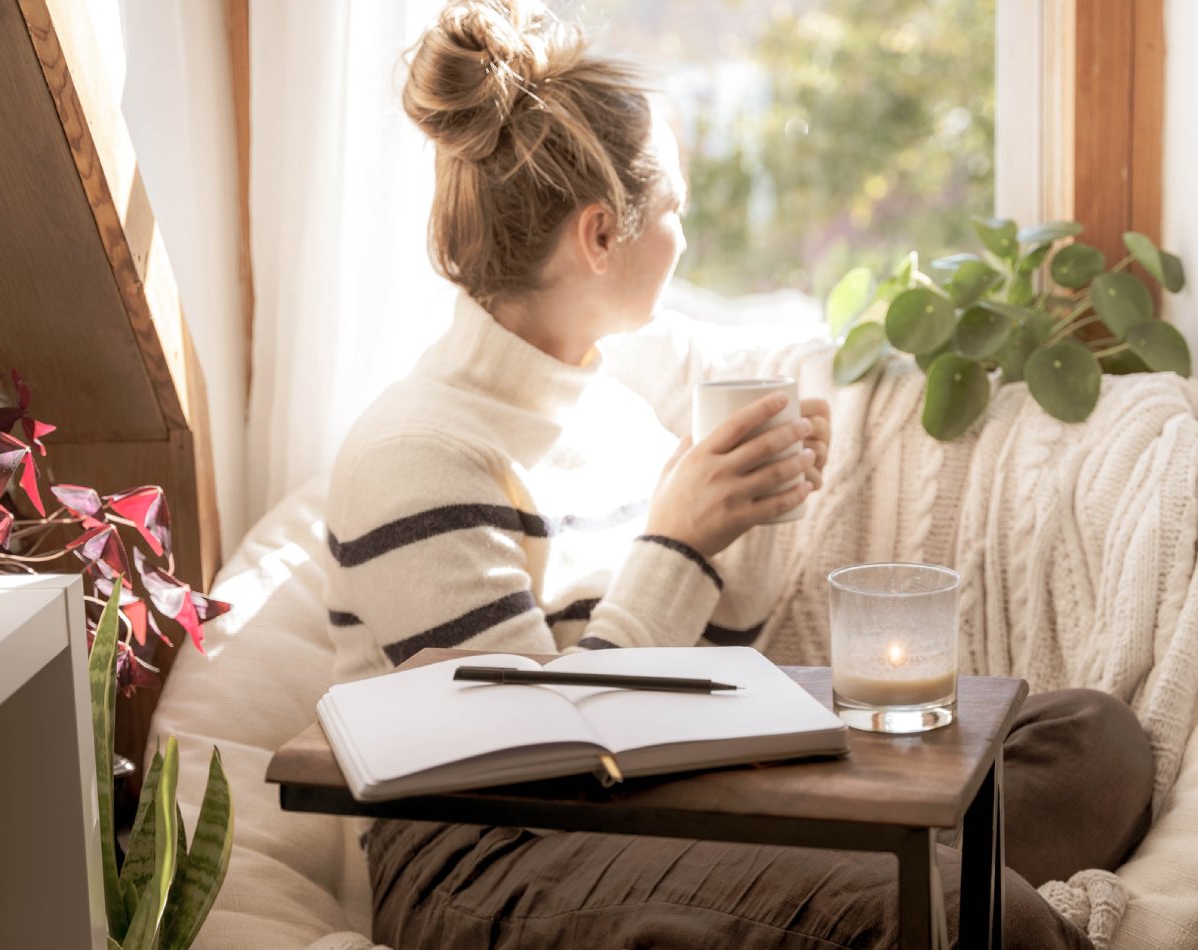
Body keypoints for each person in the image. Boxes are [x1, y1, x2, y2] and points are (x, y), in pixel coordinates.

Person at [326, 1, 1154, 945]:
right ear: (599, 236)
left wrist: (753, 513)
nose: (684, 235)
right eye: (673, 209)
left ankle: (889, 887)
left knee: (1092, 747)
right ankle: (917, 894)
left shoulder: (612, 398)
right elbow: (538, 763)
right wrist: (679, 542)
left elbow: (703, 659)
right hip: (496, 854)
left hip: (660, 788)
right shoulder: (419, 452)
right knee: (992, 919)